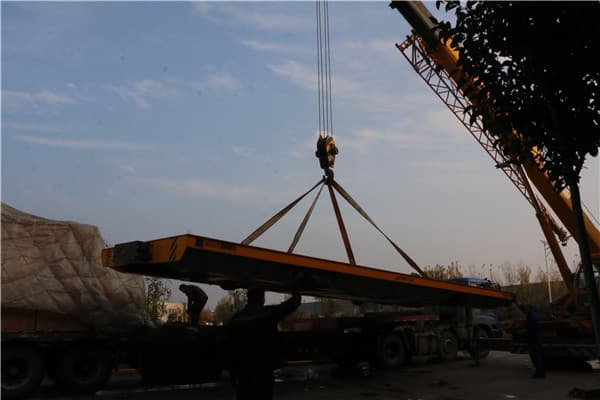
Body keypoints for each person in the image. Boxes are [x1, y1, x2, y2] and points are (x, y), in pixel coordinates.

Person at [227, 289, 301, 400]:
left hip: (243, 374)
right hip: (263, 371)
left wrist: (233, 373)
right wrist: (296, 290)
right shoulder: (267, 314)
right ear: (262, 298)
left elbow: (230, 348)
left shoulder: (236, 319)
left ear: (248, 298)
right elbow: (291, 305)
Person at [520, 303, 545, 379]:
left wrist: (524, 332)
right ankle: (540, 372)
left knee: (536, 357)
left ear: (529, 309)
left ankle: (540, 373)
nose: (524, 310)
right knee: (536, 356)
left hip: (534, 339)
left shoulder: (532, 316)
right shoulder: (532, 315)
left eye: (525, 309)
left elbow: (532, 328)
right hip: (535, 339)